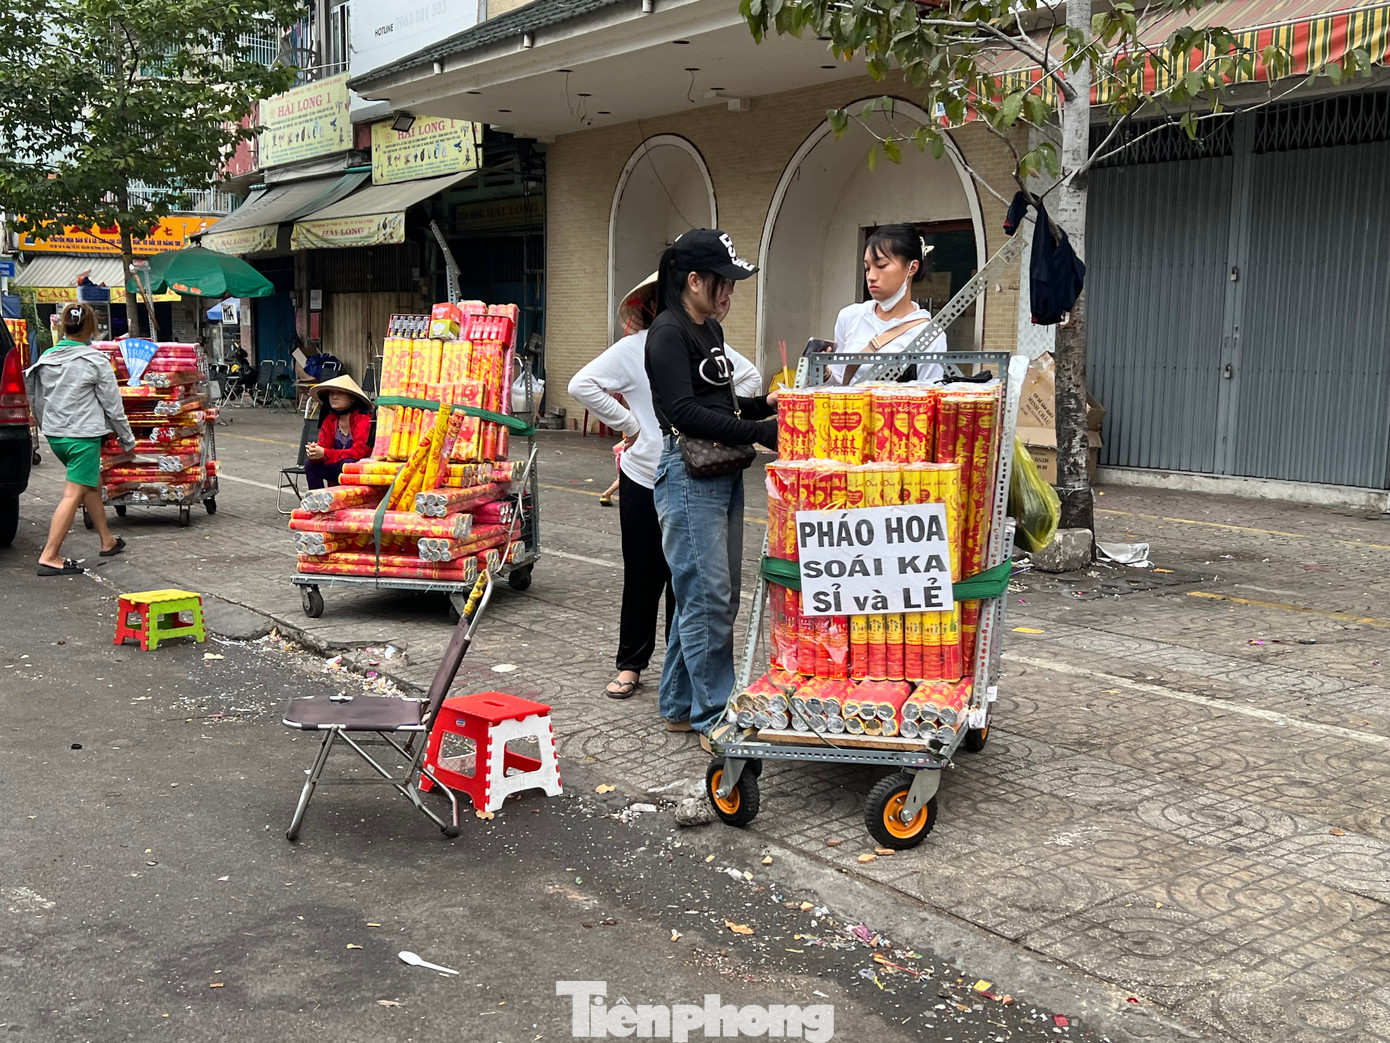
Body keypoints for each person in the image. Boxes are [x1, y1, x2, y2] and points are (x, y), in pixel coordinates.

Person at [569, 272, 764, 701]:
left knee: (689, 583)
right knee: (644, 575)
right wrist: (630, 424)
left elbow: (748, 378)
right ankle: (631, 664)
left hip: (695, 471)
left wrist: (719, 418)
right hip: (644, 475)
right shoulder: (636, 347)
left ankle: (684, 686)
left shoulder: (705, 344)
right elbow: (581, 384)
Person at [645, 229, 778, 740]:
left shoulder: (710, 332)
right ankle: (715, 715)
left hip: (719, 472)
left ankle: (679, 703)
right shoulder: (667, 332)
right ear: (693, 280)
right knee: (708, 596)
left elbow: (718, 407)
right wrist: (761, 433)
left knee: (709, 595)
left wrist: (762, 405)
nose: (728, 294)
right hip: (686, 475)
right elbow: (683, 413)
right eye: (721, 282)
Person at [24, 302, 135, 575]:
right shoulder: (95, 361)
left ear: (63, 326)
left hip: (57, 436)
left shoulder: (46, 358)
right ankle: (50, 555)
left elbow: (35, 398)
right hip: (83, 437)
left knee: (91, 484)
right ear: (91, 329)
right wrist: (127, 440)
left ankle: (107, 540)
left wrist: (44, 425)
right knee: (72, 495)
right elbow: (113, 405)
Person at [828, 223, 947, 386]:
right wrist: (826, 374)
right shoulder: (850, 316)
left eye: (881, 266)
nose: (871, 276)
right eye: (867, 268)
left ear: (912, 267)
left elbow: (928, 399)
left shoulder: (928, 334)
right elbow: (838, 385)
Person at [304, 374, 372, 489]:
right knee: (311, 464)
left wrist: (325, 453)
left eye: (340, 393)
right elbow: (323, 446)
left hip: (361, 470)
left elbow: (360, 452)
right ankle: (318, 502)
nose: (334, 397)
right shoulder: (330, 420)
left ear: (352, 398)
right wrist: (314, 452)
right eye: (331, 393)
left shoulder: (363, 419)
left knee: (348, 464)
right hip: (338, 467)